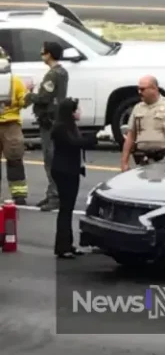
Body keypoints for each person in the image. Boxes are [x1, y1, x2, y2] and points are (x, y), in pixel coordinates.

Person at [24, 41, 69, 212]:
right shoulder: (62, 72)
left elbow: (44, 97)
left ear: (49, 54)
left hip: (49, 122)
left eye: (43, 52)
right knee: (53, 158)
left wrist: (29, 93)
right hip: (56, 120)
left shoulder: (52, 75)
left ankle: (55, 196)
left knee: (50, 160)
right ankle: (52, 193)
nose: (41, 54)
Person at [50, 98, 97, 259]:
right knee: (65, 209)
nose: (79, 112)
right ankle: (62, 247)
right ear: (70, 112)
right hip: (64, 172)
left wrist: (95, 137)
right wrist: (94, 139)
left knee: (68, 209)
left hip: (70, 171)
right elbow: (75, 143)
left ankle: (67, 244)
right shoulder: (60, 128)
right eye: (77, 109)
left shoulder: (69, 126)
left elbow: (80, 139)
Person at [120, 75, 165, 172]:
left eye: (142, 89)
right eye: (138, 89)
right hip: (144, 160)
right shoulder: (137, 108)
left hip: (164, 160)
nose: (139, 92)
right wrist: (124, 162)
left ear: (154, 89)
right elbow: (130, 137)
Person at [0, 46, 30, 205]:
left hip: (11, 124)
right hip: (11, 126)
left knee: (15, 158)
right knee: (14, 159)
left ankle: (19, 194)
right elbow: (24, 101)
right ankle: (19, 196)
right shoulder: (16, 81)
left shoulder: (15, 81)